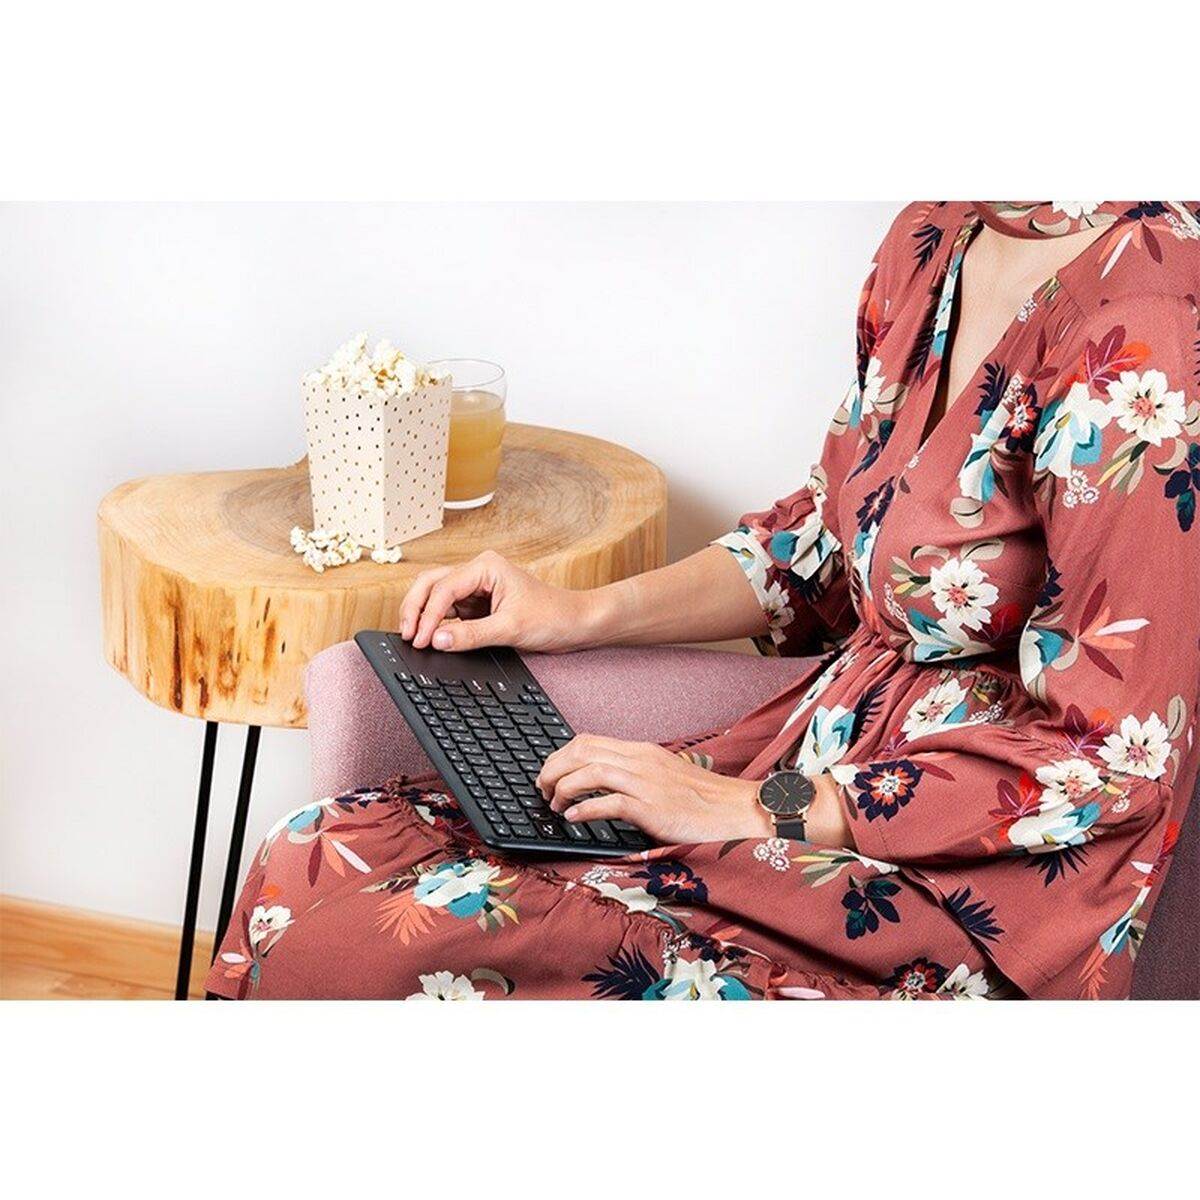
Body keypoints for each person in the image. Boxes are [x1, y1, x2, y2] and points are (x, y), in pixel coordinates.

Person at [206, 202, 1200, 1001]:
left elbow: (1112, 760)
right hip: (804, 766)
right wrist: (571, 613)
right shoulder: (933, 237)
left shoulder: (1150, 325)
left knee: (393, 947)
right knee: (311, 855)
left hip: (966, 884)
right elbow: (833, 540)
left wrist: (752, 806)